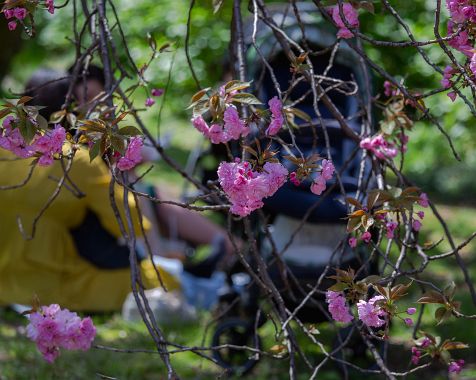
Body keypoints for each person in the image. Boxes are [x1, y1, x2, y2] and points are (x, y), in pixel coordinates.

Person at [0, 69, 179, 311]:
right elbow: (128, 219)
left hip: (5, 276)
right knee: (162, 280)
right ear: (70, 108)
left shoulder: (5, 145)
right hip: (50, 283)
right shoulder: (76, 159)